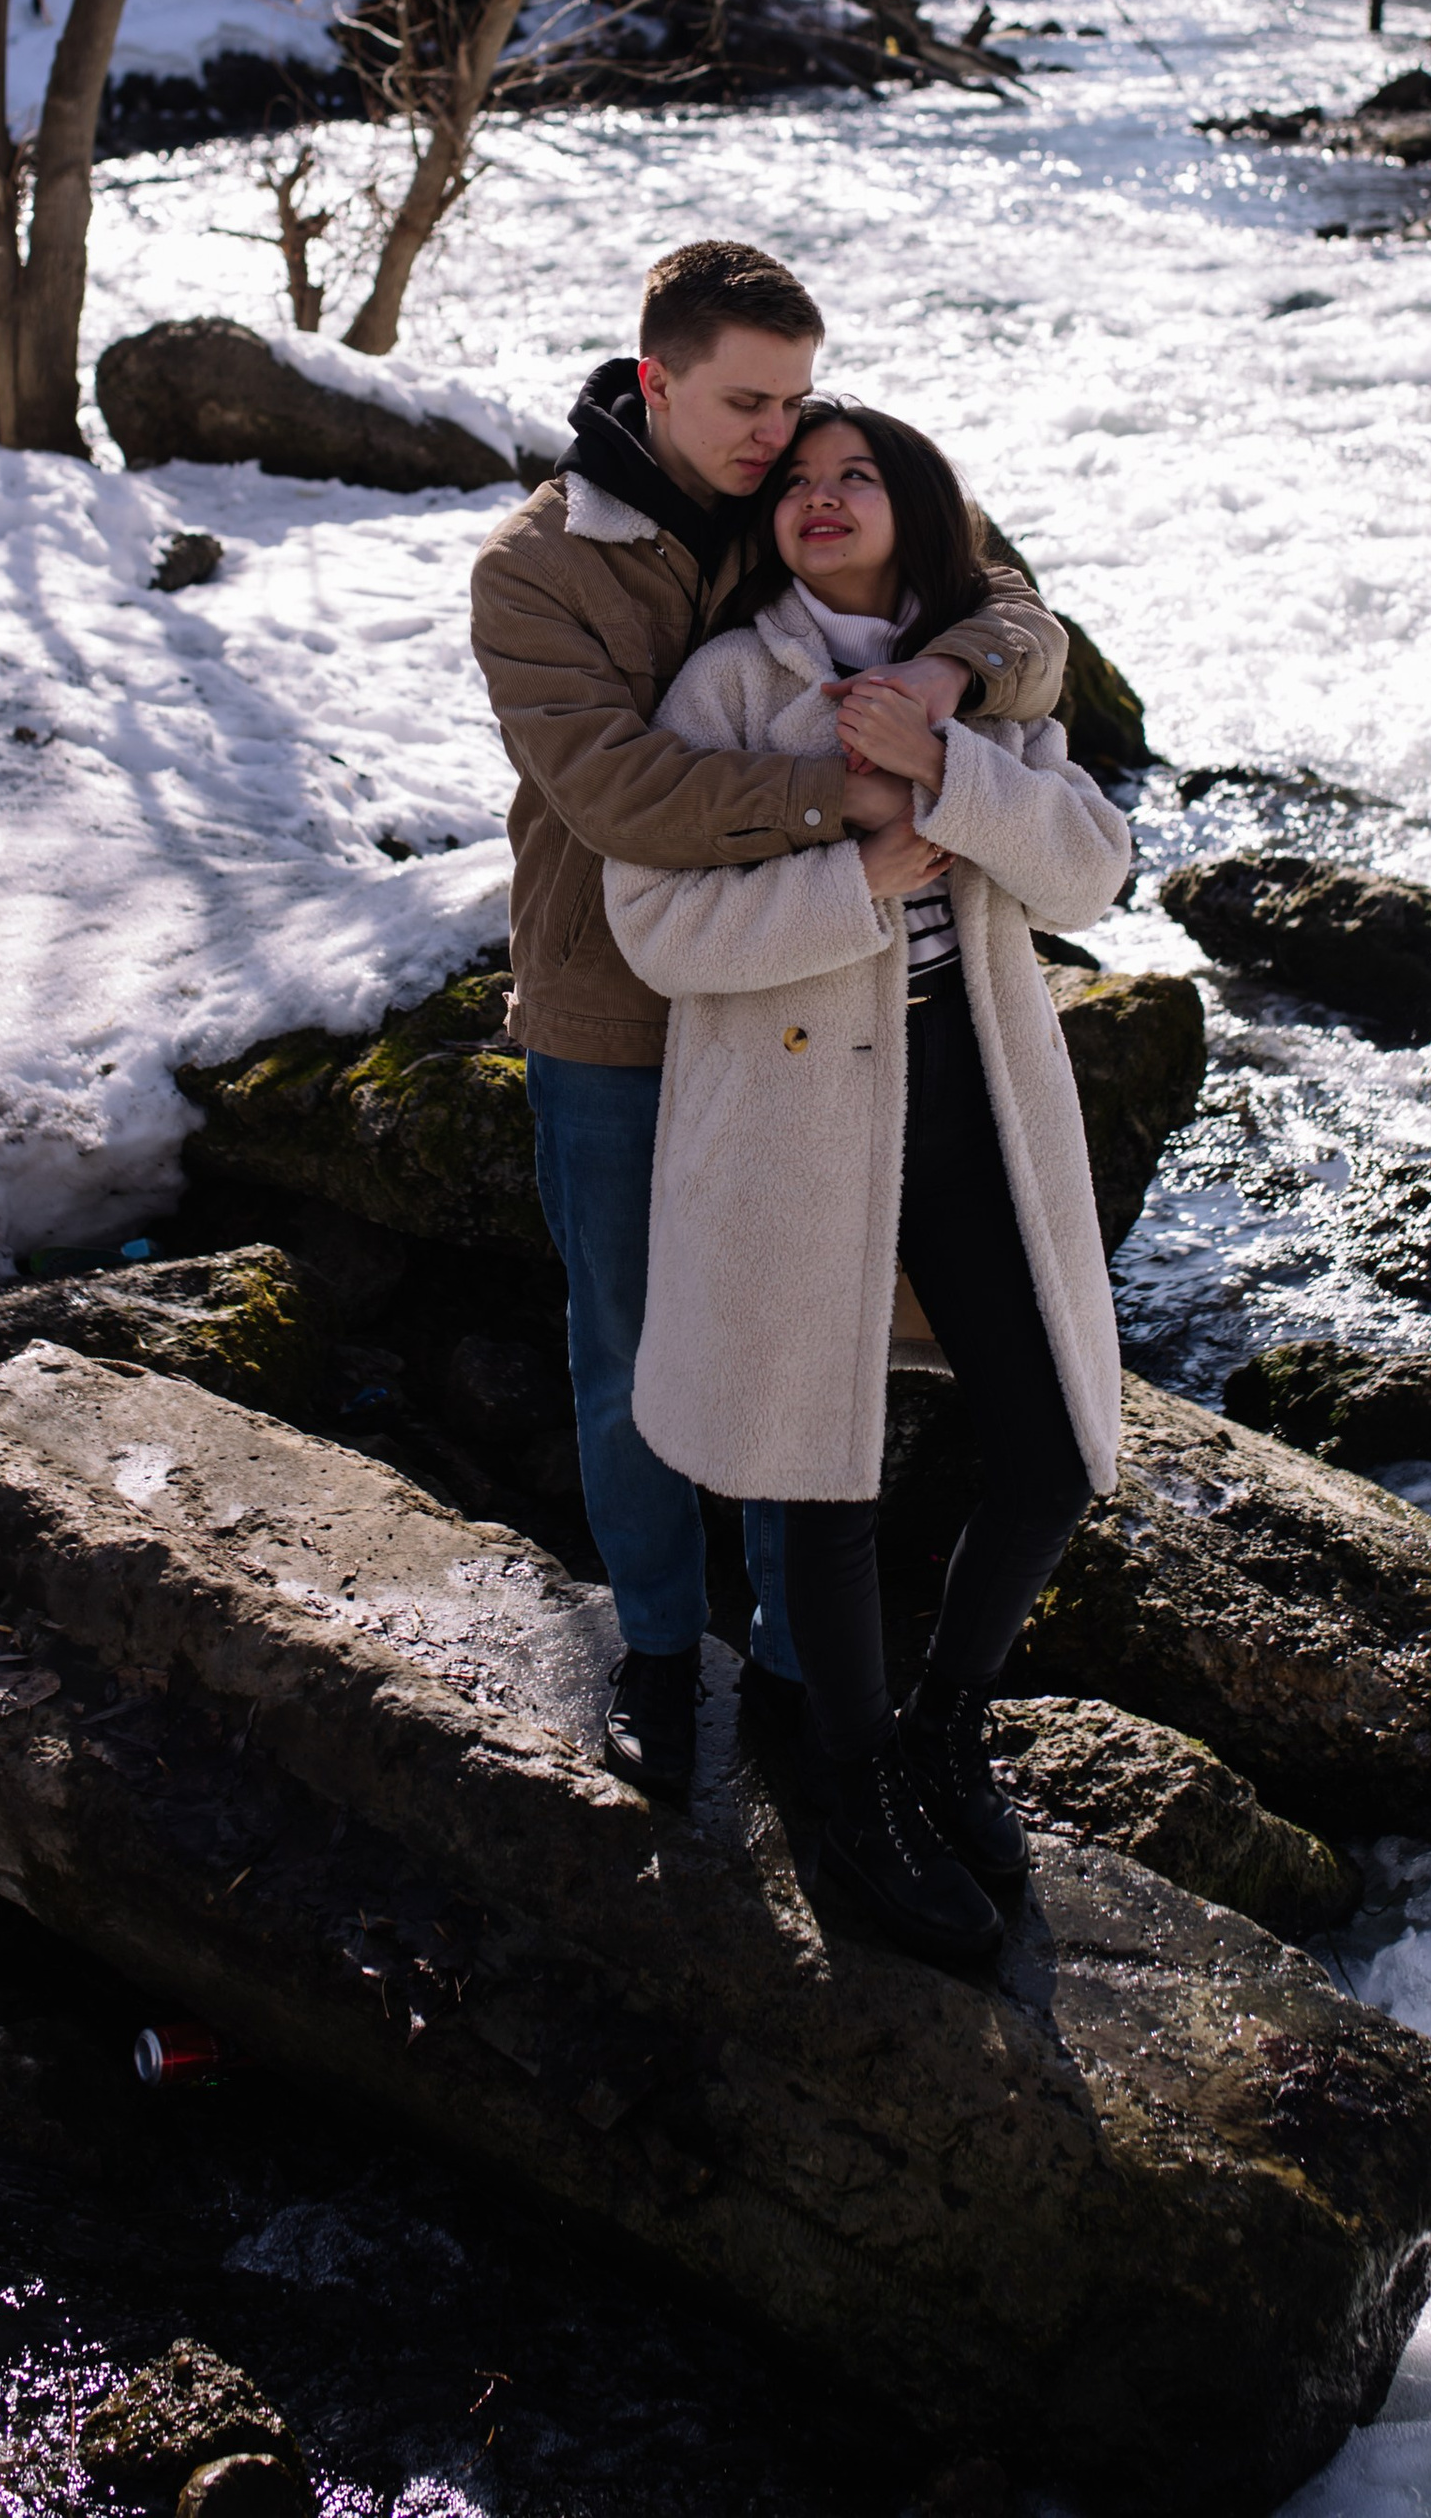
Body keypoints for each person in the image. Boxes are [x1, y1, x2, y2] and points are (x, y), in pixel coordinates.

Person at [469, 247, 1066, 1803]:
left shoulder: (800, 488)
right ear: (653, 381)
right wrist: (854, 792)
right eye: (747, 401)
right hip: (617, 1004)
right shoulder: (536, 571)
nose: (776, 432)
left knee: (815, 1343)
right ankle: (664, 1655)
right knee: (630, 1350)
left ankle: (811, 1683)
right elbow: (618, 794)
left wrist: (942, 668)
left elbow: (1020, 612)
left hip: (814, 1000)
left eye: (797, 399)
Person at [602, 398, 1130, 1971]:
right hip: (786, 1118)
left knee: (1050, 1448)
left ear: (912, 508)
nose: (826, 499)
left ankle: (944, 1723)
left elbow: (1091, 870)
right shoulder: (725, 685)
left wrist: (949, 768)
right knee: (815, 1469)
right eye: (802, 482)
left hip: (971, 1091)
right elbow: (660, 931)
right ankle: (847, 1783)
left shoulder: (967, 674)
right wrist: (858, 880)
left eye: (861, 479)